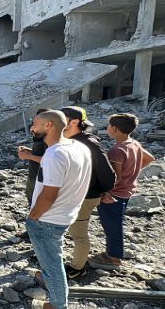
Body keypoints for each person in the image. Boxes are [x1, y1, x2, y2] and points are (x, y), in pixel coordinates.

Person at [26, 111, 91, 309]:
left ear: (49, 126)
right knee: (54, 259)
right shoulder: (79, 147)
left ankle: (56, 304)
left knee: (52, 265)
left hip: (48, 219)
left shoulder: (54, 154)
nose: (32, 128)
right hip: (66, 214)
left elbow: (48, 195)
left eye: (35, 124)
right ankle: (55, 287)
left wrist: (33, 217)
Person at [88, 113, 155, 270]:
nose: (107, 128)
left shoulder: (116, 151)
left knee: (113, 226)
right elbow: (149, 158)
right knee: (115, 224)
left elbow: (114, 179)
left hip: (114, 194)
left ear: (114, 128)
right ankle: (113, 254)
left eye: (108, 126)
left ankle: (114, 258)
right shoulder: (134, 144)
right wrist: (131, 173)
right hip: (127, 191)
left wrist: (106, 193)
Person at [60, 106, 116, 279]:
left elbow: (107, 173)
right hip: (76, 194)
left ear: (74, 122)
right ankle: (77, 261)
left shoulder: (88, 143)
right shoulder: (73, 139)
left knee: (79, 233)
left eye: (62, 119)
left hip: (85, 196)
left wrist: (103, 191)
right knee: (74, 231)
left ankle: (77, 268)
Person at [18, 108, 50, 206]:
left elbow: (51, 161)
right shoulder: (41, 136)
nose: (32, 128)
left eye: (36, 124)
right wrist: (30, 151)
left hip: (42, 180)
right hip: (33, 176)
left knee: (36, 208)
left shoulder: (50, 138)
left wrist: (28, 156)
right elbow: (45, 155)